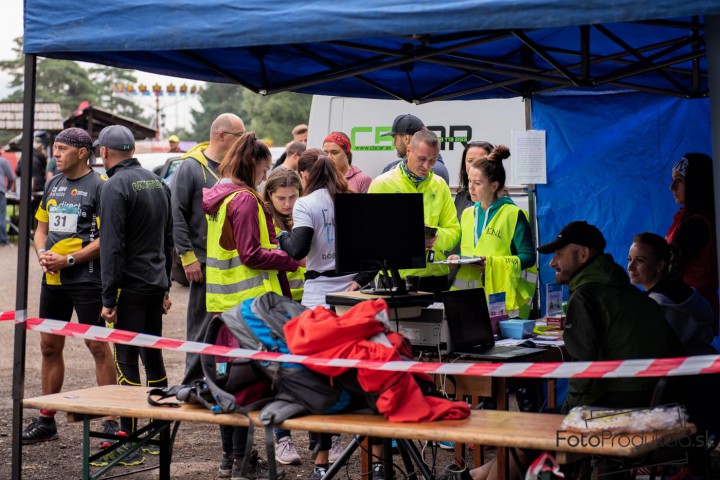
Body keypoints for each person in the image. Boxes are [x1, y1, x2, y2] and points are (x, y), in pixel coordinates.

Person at [204, 132, 300, 480]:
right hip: (246, 309)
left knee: (226, 384)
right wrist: (291, 260)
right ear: (253, 164)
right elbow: (251, 254)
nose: (265, 175)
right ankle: (241, 463)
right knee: (244, 386)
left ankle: (230, 460)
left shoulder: (220, 197)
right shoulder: (243, 200)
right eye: (263, 169)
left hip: (223, 305)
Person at [21, 128, 117, 445]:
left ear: (82, 152)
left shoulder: (101, 186)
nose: (55, 154)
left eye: (62, 148)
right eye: (55, 148)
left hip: (87, 278)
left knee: (97, 346)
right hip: (53, 280)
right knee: (49, 346)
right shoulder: (53, 184)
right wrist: (42, 254)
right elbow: (40, 230)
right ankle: (47, 419)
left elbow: (107, 239)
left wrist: (69, 260)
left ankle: (111, 420)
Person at [94, 125, 174, 467]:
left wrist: (108, 298)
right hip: (154, 283)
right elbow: (169, 239)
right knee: (153, 356)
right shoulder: (157, 181)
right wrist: (166, 284)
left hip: (129, 286)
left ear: (104, 152)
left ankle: (129, 438)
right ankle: (158, 432)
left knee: (126, 358)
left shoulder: (113, 186)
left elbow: (111, 247)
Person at [538, 221, 681, 409]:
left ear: (583, 254)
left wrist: (568, 412)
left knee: (537, 421)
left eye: (559, 254)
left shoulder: (585, 296)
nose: (552, 262)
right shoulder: (632, 294)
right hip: (656, 403)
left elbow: (584, 370)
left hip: (616, 408)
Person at [171, 113, 246, 383]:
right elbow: (176, 214)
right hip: (202, 262)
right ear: (221, 135)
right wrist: (187, 257)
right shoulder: (191, 167)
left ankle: (222, 381)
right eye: (240, 135)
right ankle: (193, 382)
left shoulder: (233, 167)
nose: (243, 140)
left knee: (229, 325)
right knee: (201, 326)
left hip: (231, 263)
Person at [369, 129, 460, 297]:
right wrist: (410, 240)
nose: (426, 166)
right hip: (395, 279)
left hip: (434, 278)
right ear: (409, 150)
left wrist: (434, 237)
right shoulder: (382, 184)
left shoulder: (440, 185)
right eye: (422, 159)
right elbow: (371, 235)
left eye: (432, 161)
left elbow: (454, 232)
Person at [450, 145, 536, 318]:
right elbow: (475, 249)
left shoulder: (513, 214)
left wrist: (491, 264)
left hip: (505, 298)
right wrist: (458, 258)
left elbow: (528, 257)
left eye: (477, 183)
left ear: (494, 186)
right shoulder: (467, 214)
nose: (471, 187)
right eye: (469, 181)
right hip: (471, 299)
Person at [260, 167, 306, 466]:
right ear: (269, 196)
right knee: (280, 374)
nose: (288, 204)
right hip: (279, 305)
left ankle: (324, 439)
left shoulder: (305, 215)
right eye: (281, 198)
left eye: (293, 197)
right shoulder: (266, 222)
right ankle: (282, 438)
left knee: (310, 372)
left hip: (306, 303)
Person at [627, 232, 715, 356]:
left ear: (659, 266)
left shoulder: (654, 307)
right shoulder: (686, 291)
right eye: (629, 259)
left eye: (639, 260)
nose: (630, 267)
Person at [666, 153, 719, 335]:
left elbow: (667, 267)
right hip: (689, 310)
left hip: (689, 315)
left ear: (697, 182)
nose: (672, 187)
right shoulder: (691, 218)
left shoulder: (695, 224)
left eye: (679, 180)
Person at [380, 114, 450, 184]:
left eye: (395, 138)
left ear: (406, 138)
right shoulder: (392, 167)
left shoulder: (434, 171)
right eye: (422, 159)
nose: (394, 143)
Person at [454, 140, 494, 219]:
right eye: (470, 161)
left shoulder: (498, 200)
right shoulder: (461, 196)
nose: (474, 165)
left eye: (480, 161)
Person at [0, 150, 15, 246]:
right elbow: (11, 178)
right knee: (1, 216)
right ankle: (3, 240)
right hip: (0, 191)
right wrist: (8, 188)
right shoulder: (3, 161)